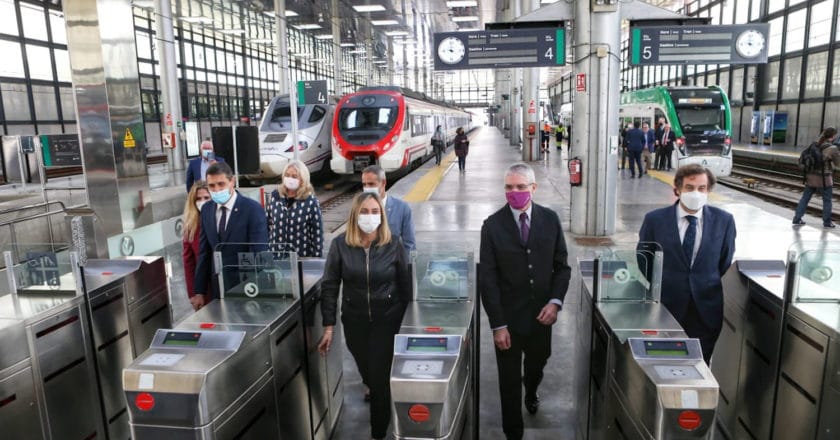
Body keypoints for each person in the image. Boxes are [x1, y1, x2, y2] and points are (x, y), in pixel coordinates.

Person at [479, 163, 572, 440]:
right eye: (509, 187)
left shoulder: (550, 219)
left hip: (542, 316)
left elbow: (562, 267)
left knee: (537, 363)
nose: (515, 192)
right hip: (508, 319)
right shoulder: (492, 226)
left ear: (533, 188)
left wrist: (555, 303)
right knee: (508, 381)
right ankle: (513, 433)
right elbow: (488, 280)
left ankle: (531, 389)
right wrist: (498, 325)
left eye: (521, 187)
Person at [317, 192, 411, 440]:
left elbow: (406, 285)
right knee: (366, 368)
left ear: (381, 215)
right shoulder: (340, 245)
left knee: (378, 378)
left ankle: (378, 432)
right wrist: (329, 326)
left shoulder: (394, 244)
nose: (369, 217)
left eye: (374, 211)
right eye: (364, 212)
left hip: (387, 320)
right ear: (355, 215)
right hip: (354, 321)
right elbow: (330, 285)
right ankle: (382, 392)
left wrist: (409, 325)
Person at [638, 164, 736, 363]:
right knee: (665, 364)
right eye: (690, 188)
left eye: (702, 188)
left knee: (700, 365)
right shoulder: (655, 220)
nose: (696, 193)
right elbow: (644, 260)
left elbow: (724, 260)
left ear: (708, 190)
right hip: (666, 308)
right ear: (677, 189)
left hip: (706, 310)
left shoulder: (724, 221)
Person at [193, 162, 268, 308]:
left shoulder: (252, 209)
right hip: (218, 289)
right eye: (212, 186)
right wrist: (199, 291)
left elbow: (259, 253)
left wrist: (257, 291)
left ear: (232, 182)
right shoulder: (207, 210)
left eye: (221, 184)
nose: (217, 190)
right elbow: (204, 252)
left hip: (246, 288)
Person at [267, 160, 324, 257]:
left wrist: (316, 260)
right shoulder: (275, 196)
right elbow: (266, 224)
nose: (290, 179)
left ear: (302, 179)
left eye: (294, 176)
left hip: (300, 258)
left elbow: (317, 233)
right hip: (276, 257)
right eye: (287, 175)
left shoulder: (310, 201)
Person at [792, 127, 840, 228]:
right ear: (832, 137)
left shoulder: (814, 144)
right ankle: (827, 222)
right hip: (824, 180)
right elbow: (838, 164)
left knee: (805, 199)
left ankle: (797, 218)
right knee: (827, 201)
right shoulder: (833, 148)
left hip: (810, 178)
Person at [362, 165, 416, 253]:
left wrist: (405, 265)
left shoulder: (402, 208)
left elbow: (410, 244)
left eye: (371, 184)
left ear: (383, 183)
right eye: (364, 184)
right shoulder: (358, 209)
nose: (367, 188)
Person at [182, 181, 212, 311]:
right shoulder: (191, 227)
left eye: (206, 197)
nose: (202, 201)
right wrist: (193, 293)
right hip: (204, 288)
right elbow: (188, 262)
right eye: (198, 199)